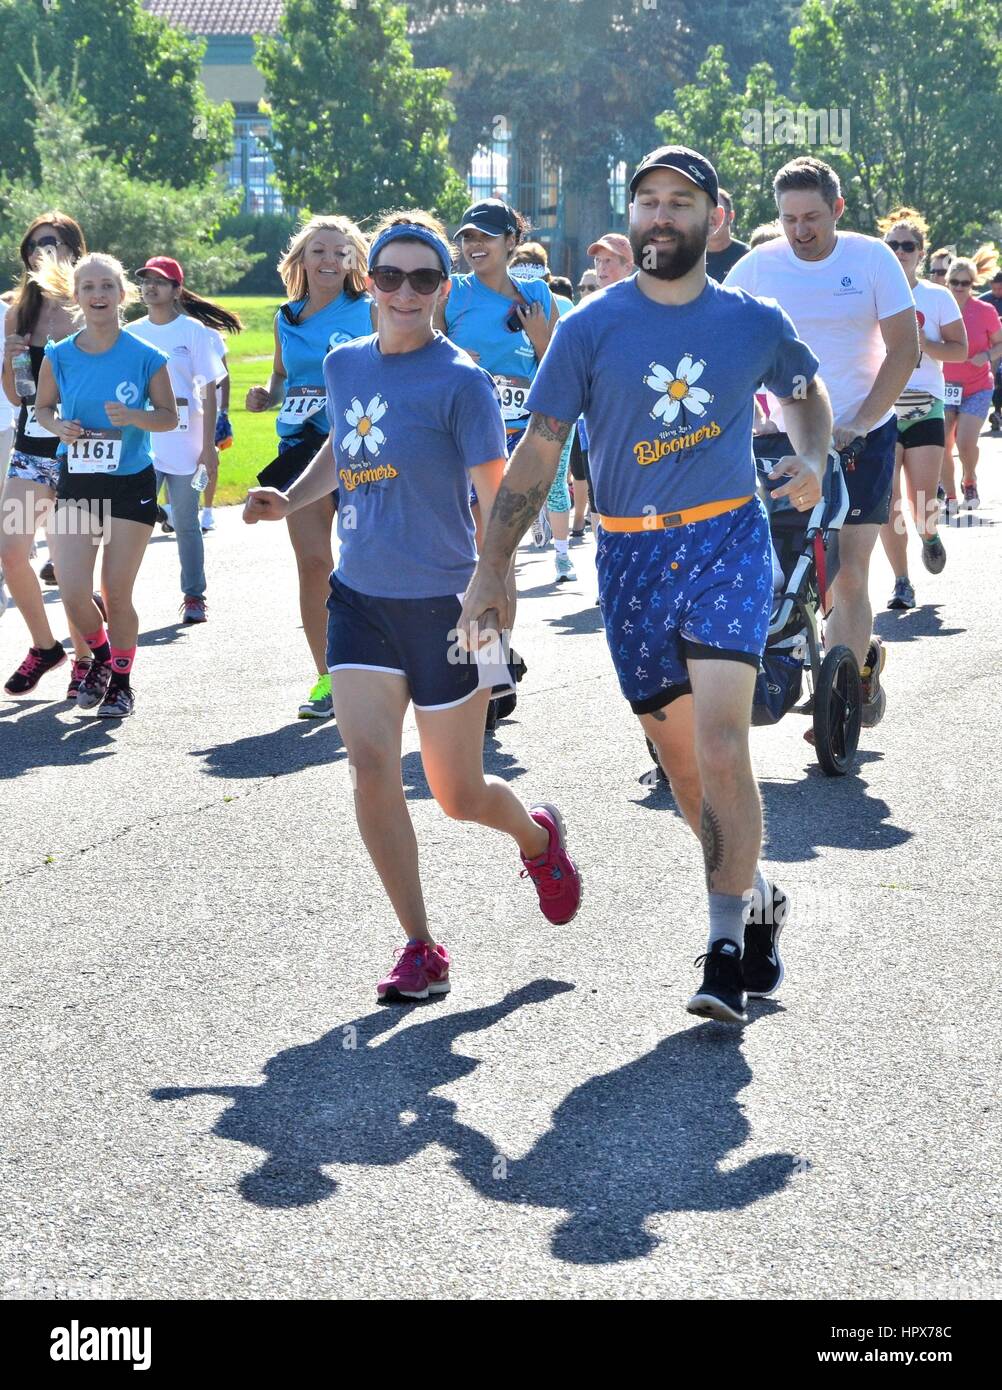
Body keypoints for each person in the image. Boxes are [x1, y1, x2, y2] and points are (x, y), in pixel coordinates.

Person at [460, 145, 832, 1024]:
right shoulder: (592, 326)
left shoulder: (753, 318)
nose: (660, 215)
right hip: (629, 558)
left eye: (679, 201)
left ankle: (723, 950)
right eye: (647, 201)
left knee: (719, 747)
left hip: (727, 543)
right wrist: (492, 561)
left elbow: (807, 394)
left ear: (717, 218)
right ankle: (761, 895)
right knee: (683, 771)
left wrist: (813, 453)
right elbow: (541, 446)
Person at [244, 210, 581, 1002]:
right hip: (360, 600)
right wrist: (289, 495)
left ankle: (537, 838)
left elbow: (500, 497)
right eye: (389, 275)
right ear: (369, 282)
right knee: (368, 769)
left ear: (440, 291)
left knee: (458, 793)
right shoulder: (346, 364)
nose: (404, 290)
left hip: (445, 604)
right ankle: (420, 946)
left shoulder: (459, 379)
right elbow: (344, 447)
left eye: (423, 278)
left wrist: (495, 589)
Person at [725, 156, 918, 730]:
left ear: (836, 210)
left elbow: (903, 352)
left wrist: (861, 420)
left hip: (863, 434)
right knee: (787, 561)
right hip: (783, 441)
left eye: (812, 217)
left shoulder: (872, 259)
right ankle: (809, 656)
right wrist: (751, 414)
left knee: (847, 570)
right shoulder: (757, 268)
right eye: (789, 218)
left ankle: (845, 688)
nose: (800, 230)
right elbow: (721, 344)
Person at [31, 253, 178, 718]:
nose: (98, 295)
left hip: (130, 482)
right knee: (74, 592)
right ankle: (97, 658)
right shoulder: (59, 354)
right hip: (76, 480)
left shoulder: (146, 356)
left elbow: (169, 418)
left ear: (122, 294)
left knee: (116, 592)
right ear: (76, 297)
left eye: (107, 286)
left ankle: (121, 682)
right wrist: (61, 428)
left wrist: (135, 417)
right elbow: (43, 409)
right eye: (89, 287)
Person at [246, 215, 376, 718]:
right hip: (299, 448)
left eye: (339, 252)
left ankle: (380, 666)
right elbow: (282, 377)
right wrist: (266, 395)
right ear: (301, 259)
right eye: (318, 251)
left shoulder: (367, 311)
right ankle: (328, 678)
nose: (328, 260)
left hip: (359, 445)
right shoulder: (287, 317)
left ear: (353, 262)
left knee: (366, 556)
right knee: (313, 564)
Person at [0, 212, 99, 699]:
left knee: (69, 566)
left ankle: (87, 658)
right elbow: (16, 395)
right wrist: (13, 356)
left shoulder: (89, 303)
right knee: (12, 552)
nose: (44, 250)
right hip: (33, 449)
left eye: (54, 242)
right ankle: (45, 647)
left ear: (73, 248)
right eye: (36, 244)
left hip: (83, 453)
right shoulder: (19, 310)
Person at [127, 257, 240, 623]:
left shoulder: (194, 331)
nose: (150, 287)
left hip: (186, 442)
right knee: (130, 523)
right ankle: (114, 597)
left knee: (188, 523)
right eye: (145, 281)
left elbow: (208, 390)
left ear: (176, 290)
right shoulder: (130, 333)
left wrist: (208, 446)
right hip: (142, 445)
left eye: (159, 282)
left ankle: (194, 595)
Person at [876, 209, 966, 609]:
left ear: (920, 251)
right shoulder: (869, 294)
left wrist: (920, 343)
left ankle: (929, 535)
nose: (899, 251)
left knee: (923, 501)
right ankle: (901, 582)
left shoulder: (936, 296)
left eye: (907, 245)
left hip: (926, 405)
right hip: (882, 408)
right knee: (887, 501)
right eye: (891, 245)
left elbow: (961, 350)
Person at [941, 250, 1002, 509]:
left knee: (966, 442)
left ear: (972, 284)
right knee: (942, 442)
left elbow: (1000, 343)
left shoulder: (985, 310)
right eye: (955, 282)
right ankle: (950, 494)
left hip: (977, 387)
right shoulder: (939, 308)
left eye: (965, 283)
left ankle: (969, 480)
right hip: (944, 387)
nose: (959, 287)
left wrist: (987, 354)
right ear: (947, 282)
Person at [705, 188, 749, 281]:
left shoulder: (747, 256)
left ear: (731, 216)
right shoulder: (691, 257)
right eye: (706, 210)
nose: (711, 216)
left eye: (717, 211)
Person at [979, 272, 1002, 431]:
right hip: (993, 347)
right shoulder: (984, 300)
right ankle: (997, 412)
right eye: (994, 289)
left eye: (1000, 289)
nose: (997, 292)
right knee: (995, 377)